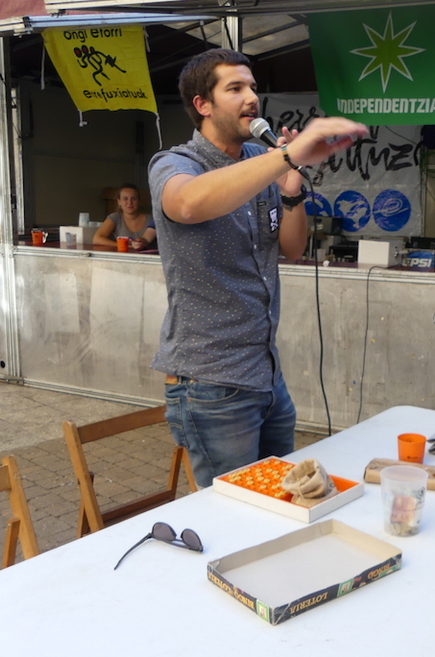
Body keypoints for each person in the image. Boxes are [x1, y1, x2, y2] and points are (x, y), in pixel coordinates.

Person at [148, 48, 368, 487]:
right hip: (212, 383)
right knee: (231, 512)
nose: (252, 97)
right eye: (235, 88)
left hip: (266, 374)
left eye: (252, 87)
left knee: (279, 498)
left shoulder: (260, 159)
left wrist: (291, 188)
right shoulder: (174, 163)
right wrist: (284, 158)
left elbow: (291, 247)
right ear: (202, 105)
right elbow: (187, 203)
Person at [93, 183, 156, 250]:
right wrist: (123, 245)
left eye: (134, 198)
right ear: (119, 201)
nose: (130, 202)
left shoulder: (151, 219)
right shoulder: (115, 217)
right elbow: (97, 239)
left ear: (139, 201)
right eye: (125, 199)